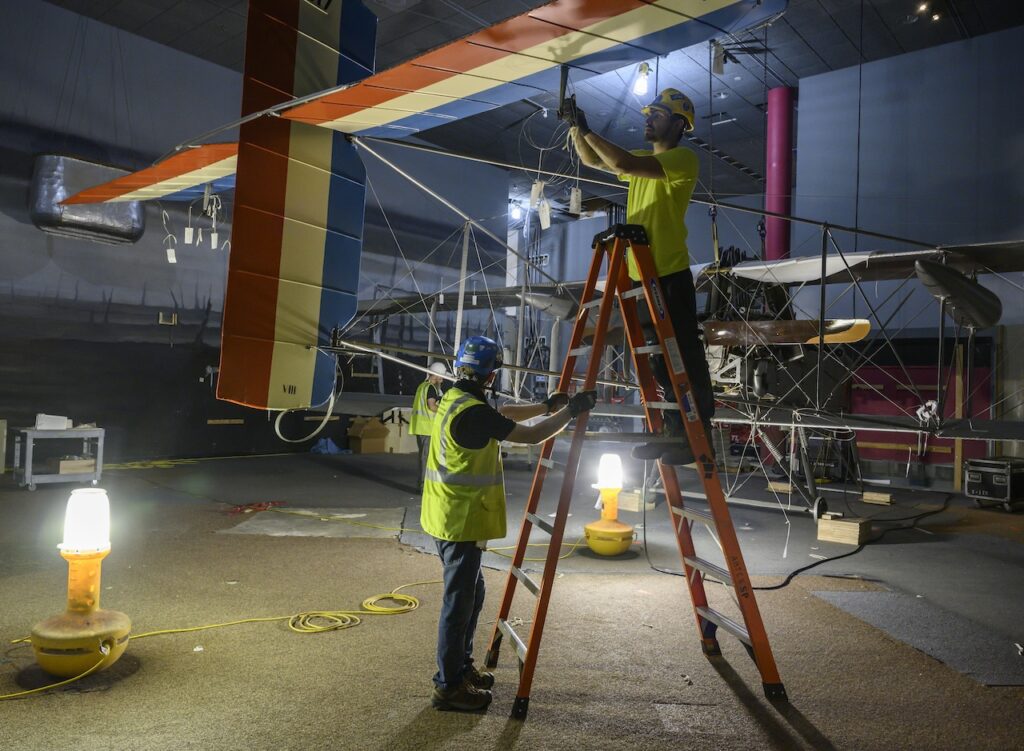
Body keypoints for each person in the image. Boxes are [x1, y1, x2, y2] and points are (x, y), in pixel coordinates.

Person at [421, 335, 597, 712]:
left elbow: (506, 411)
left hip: (447, 515)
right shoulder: (474, 411)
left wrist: (546, 405)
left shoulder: (457, 397)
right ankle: (448, 685)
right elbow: (532, 435)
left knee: (472, 595)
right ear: (491, 374)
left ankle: (460, 669)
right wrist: (571, 412)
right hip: (460, 521)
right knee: (458, 604)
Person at [564, 88, 714, 465]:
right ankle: (671, 430)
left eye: (658, 115)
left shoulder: (683, 160)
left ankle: (697, 432)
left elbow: (624, 165)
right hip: (640, 274)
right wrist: (575, 129)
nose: (649, 119)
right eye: (649, 114)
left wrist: (589, 128)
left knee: (681, 354)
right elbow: (594, 161)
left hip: (667, 272)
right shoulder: (645, 163)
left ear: (679, 124)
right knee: (657, 359)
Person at [410, 361, 448, 491]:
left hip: (422, 427)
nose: (442, 381)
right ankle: (424, 486)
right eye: (442, 378)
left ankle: (424, 485)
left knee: (424, 457)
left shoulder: (422, 386)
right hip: (428, 428)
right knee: (426, 458)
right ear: (436, 376)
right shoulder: (431, 388)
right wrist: (446, 412)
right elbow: (431, 406)